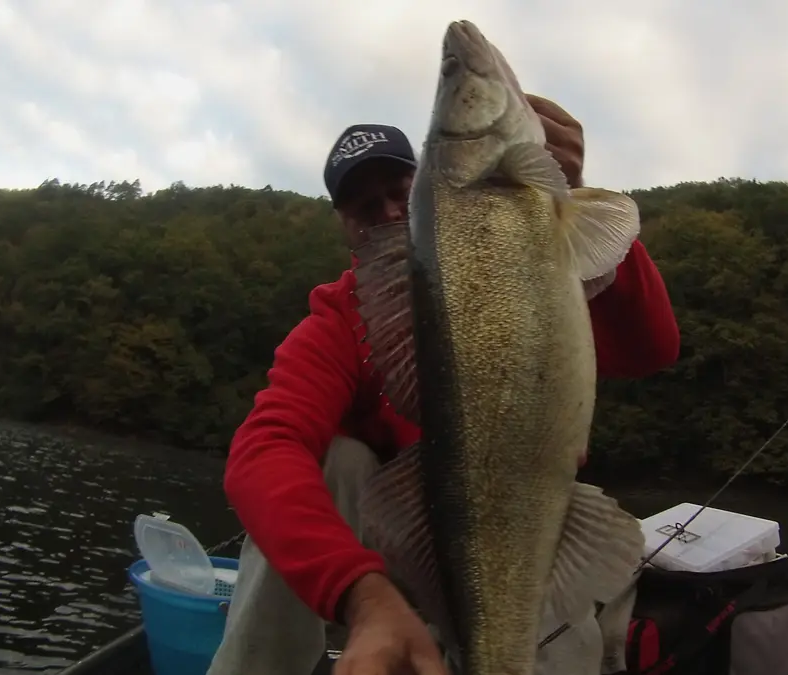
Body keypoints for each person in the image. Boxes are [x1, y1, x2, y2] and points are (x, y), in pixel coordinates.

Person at [206, 95, 680, 675]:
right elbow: (263, 448)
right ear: (343, 225)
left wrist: (566, 189)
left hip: (522, 540)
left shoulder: (527, 267)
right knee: (338, 460)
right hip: (396, 554)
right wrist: (362, 593)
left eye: (397, 189)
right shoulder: (337, 319)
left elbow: (652, 348)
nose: (383, 211)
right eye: (361, 206)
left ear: (430, 184)